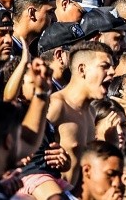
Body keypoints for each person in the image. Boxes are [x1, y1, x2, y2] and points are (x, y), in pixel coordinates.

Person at [47, 41, 116, 185]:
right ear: (82, 69)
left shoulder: (91, 111)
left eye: (112, 67)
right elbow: (25, 149)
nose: (112, 72)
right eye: (105, 66)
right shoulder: (56, 105)